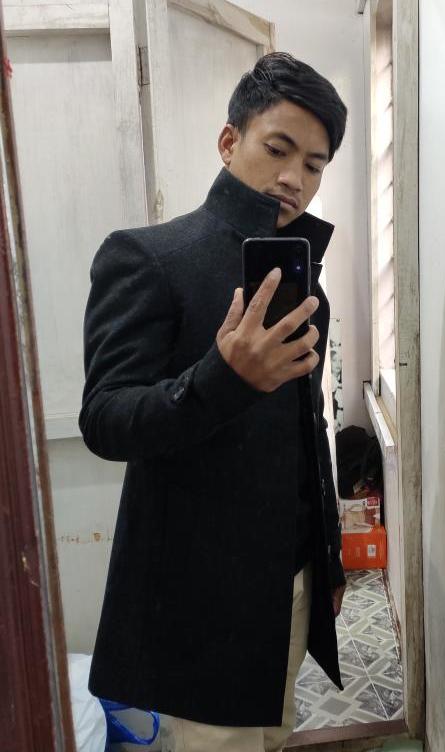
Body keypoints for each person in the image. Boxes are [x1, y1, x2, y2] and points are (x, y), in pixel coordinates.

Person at [79, 52, 347, 752]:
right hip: (194, 599)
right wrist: (222, 378)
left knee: (273, 737)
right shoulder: (147, 258)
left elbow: (307, 431)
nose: (293, 178)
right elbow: (105, 419)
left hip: (289, 579)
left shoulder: (303, 284)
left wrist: (327, 558)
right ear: (230, 142)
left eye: (314, 164)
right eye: (277, 149)